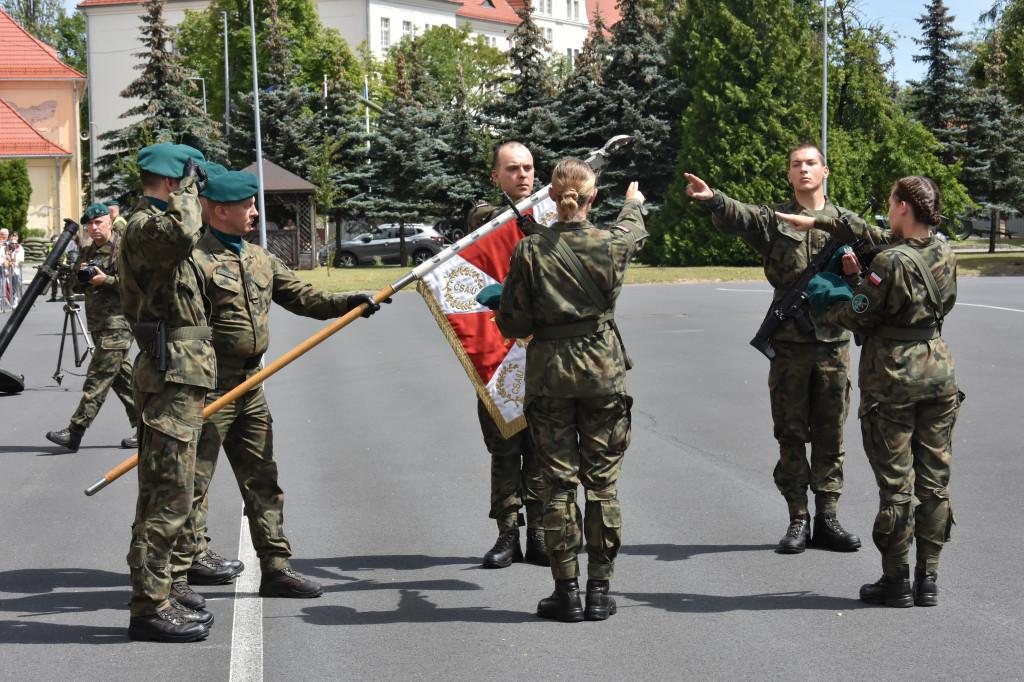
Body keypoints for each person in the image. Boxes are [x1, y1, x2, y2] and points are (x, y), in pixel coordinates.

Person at [164, 170, 384, 609]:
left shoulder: (259, 258)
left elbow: (303, 296)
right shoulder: (192, 261)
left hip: (251, 386)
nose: (256, 212)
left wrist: (352, 301)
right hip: (207, 388)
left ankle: (276, 568)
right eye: (247, 206)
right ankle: (177, 577)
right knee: (189, 487)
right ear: (220, 210)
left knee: (263, 479)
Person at [777, 176, 961, 608]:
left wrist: (828, 296)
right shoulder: (946, 251)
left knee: (897, 485)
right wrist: (822, 224)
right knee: (935, 485)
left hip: (893, 379)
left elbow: (859, 316)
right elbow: (931, 299)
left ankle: (895, 581)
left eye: (891, 202)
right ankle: (929, 579)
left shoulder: (890, 261)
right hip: (938, 372)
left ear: (901, 207)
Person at [684, 143, 862, 554]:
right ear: (789, 174)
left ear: (826, 171)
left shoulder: (847, 223)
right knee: (791, 431)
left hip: (834, 343)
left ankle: (828, 516)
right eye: (796, 164)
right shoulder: (775, 218)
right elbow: (740, 215)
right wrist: (714, 199)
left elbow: (873, 274)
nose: (804, 170)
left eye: (811, 163)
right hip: (789, 344)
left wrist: (856, 275)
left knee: (831, 432)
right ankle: (798, 518)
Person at [494, 158, 648, 622]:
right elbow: (632, 227)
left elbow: (513, 322)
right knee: (602, 487)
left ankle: (567, 592)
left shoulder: (530, 251)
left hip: (550, 379)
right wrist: (633, 203)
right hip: (603, 376)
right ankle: (601, 591)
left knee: (558, 487)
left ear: (552, 197)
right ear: (591, 197)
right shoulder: (612, 244)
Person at [118, 141, 216, 643]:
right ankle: (148, 606)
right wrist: (190, 188)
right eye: (186, 180)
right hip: (169, 376)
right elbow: (182, 231)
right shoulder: (145, 227)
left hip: (182, 375)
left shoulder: (157, 228)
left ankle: (161, 588)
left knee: (168, 491)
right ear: (172, 180)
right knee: (167, 498)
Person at [465, 141, 548, 568]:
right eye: (513, 169)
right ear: (496, 176)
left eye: (529, 168)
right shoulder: (486, 221)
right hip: (498, 352)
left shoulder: (551, 216)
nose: (523, 175)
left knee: (540, 446)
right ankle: (506, 535)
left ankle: (538, 533)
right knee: (504, 446)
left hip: (545, 352)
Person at [45, 204, 138, 452]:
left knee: (96, 379)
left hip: (118, 325)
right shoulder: (87, 253)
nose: (94, 228)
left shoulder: (125, 250)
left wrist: (105, 280)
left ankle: (75, 431)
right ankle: (149, 427)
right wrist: (79, 274)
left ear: (110, 222)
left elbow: (138, 285)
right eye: (90, 224)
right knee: (123, 380)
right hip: (98, 326)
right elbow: (77, 287)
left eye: (99, 222)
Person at [46, 235, 63, 302]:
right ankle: (53, 297)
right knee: (53, 282)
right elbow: (47, 257)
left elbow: (63, 256)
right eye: (52, 239)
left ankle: (64, 296)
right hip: (53, 267)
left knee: (63, 282)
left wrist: (61, 264)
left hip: (60, 267)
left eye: (55, 239)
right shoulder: (50, 247)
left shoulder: (61, 246)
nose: (53, 240)